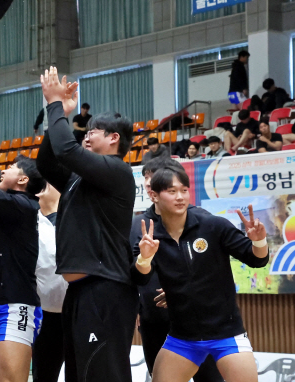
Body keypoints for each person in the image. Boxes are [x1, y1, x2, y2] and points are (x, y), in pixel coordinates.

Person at [36, 67, 137, 382]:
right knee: (80, 375)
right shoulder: (82, 178)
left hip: (105, 289)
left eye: (94, 131)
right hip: (80, 292)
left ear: (114, 138)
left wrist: (54, 105)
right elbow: (47, 162)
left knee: (102, 373)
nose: (87, 135)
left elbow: (67, 149)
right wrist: (60, 113)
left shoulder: (118, 171)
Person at [133, 168, 269, 382]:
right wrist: (145, 258)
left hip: (227, 334)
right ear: (154, 196)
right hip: (181, 338)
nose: (180, 197)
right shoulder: (150, 237)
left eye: (184, 190)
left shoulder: (213, 225)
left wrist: (259, 241)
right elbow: (140, 278)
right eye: (172, 191)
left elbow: (258, 260)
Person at [130, 159, 224, 382]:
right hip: (154, 320)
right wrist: (133, 307)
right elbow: (132, 271)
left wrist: (182, 292)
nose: (149, 183)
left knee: (210, 378)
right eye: (146, 178)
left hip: (199, 320)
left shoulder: (203, 220)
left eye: (154, 177)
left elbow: (215, 271)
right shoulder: (136, 225)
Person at [0, 156, 45, 382]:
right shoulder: (7, 210)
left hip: (17, 305)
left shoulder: (25, 205)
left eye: (11, 168)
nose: (4, 170)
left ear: (23, 179)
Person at [32, 183, 67, 382]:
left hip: (76, 309)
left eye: (48, 182)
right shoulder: (29, 219)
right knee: (44, 374)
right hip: (41, 312)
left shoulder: (74, 217)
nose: (43, 186)